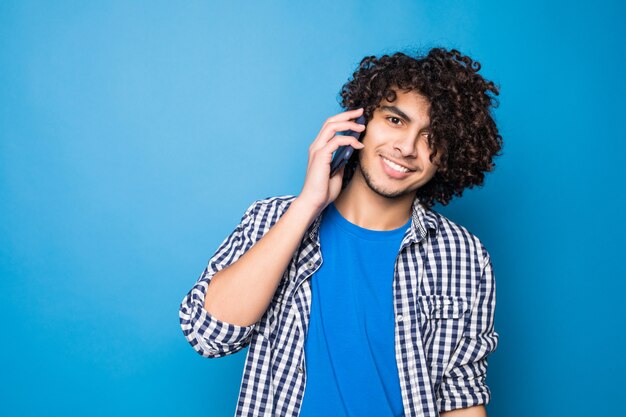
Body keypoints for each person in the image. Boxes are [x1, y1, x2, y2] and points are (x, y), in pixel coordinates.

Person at [179, 47, 503, 417]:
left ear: (449, 154)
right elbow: (208, 335)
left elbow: (460, 395)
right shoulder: (273, 219)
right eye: (395, 121)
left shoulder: (462, 256)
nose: (407, 148)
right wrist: (308, 204)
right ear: (360, 122)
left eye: (432, 136)